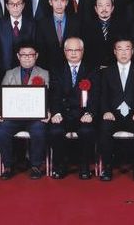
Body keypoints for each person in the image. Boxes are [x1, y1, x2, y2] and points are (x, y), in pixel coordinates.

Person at [98, 38, 134, 181]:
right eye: (120, 49)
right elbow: (102, 95)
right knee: (104, 126)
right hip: (113, 115)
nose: (124, 53)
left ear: (132, 51)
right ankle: (107, 168)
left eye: (127, 49)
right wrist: (106, 111)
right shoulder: (107, 72)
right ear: (115, 52)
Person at [0, 43, 50, 180]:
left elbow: (49, 97)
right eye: (23, 55)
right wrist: (1, 112)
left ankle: (36, 166)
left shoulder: (44, 73)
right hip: (13, 117)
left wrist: (48, 112)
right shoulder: (10, 73)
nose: (27, 58)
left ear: (36, 56)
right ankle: (8, 166)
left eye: (30, 55)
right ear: (18, 56)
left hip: (35, 117)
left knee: (39, 131)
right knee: (2, 131)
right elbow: (2, 96)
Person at [48, 37, 98, 179]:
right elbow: (54, 94)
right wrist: (56, 112)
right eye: (70, 50)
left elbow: (96, 95)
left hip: (83, 114)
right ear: (65, 51)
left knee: (87, 131)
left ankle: (84, 166)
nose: (74, 53)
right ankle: (60, 166)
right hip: (63, 114)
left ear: (83, 51)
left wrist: (90, 113)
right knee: (55, 131)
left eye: (77, 50)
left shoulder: (92, 70)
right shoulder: (57, 70)